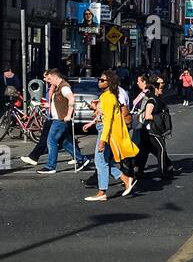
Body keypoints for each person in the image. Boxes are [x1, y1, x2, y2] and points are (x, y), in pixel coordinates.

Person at [90, 70, 138, 199]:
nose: (99, 82)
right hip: (103, 128)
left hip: (105, 131)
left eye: (102, 80)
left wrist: (102, 141)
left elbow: (109, 120)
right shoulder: (105, 96)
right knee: (103, 161)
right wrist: (93, 120)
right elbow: (103, 115)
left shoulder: (109, 97)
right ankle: (125, 179)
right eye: (99, 80)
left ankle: (102, 192)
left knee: (100, 161)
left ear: (110, 82)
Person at [37, 69, 90, 175]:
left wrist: (69, 114)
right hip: (59, 118)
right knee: (64, 142)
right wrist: (48, 106)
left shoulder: (64, 87)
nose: (48, 81)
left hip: (60, 119)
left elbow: (71, 99)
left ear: (56, 77)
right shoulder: (58, 87)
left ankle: (51, 166)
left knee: (51, 141)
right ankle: (82, 159)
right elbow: (61, 102)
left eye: (50, 79)